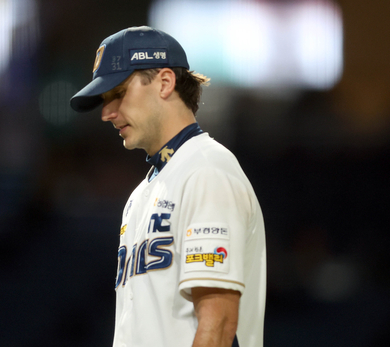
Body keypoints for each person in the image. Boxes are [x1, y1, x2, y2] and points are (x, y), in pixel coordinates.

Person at [70, 26, 266, 347]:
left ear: (164, 82)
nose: (107, 113)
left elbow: (217, 324)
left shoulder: (206, 169)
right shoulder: (141, 194)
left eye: (117, 93)